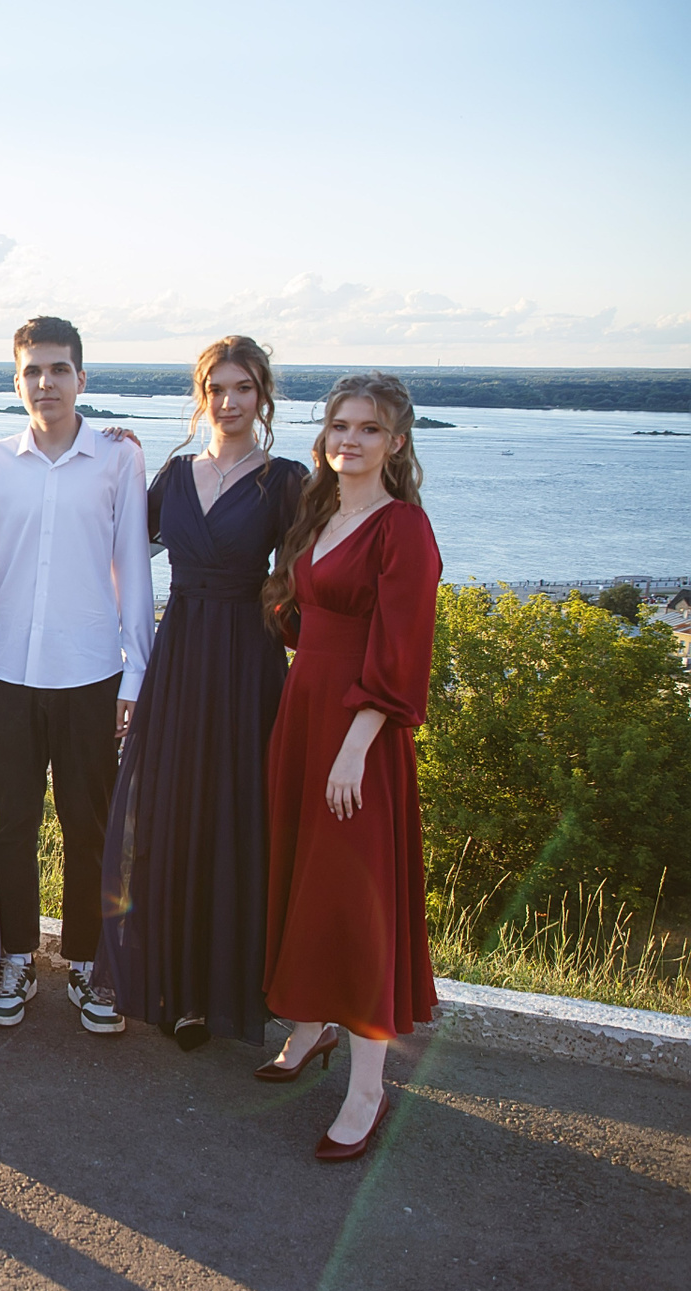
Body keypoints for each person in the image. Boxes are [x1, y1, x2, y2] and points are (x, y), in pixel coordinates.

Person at [93, 336, 307, 1050]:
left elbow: (309, 580)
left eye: (243, 388)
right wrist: (117, 460)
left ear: (263, 396)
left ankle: (232, 989)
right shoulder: (175, 474)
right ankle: (177, 990)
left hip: (247, 662)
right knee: (169, 814)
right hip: (179, 654)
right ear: (200, 395)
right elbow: (121, 546)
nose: (228, 401)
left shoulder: (285, 480)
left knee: (234, 816)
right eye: (216, 388)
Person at [257, 371, 440, 1163]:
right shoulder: (323, 511)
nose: (351, 440)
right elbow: (306, 623)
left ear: (395, 442)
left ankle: (368, 1087)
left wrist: (355, 747)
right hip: (304, 716)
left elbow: (402, 652)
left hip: (358, 736)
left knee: (358, 903)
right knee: (304, 878)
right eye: (340, 426)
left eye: (368, 429)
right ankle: (309, 1027)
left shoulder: (404, 529)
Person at [0, 317, 154, 1033]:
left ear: (81, 378)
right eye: (33, 371)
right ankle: (16, 955)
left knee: (88, 824)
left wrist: (135, 674)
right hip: (6, 670)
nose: (46, 382)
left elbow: (134, 568)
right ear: (18, 381)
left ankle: (89, 961)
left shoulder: (118, 460)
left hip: (92, 670)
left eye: (59, 369)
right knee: (13, 822)